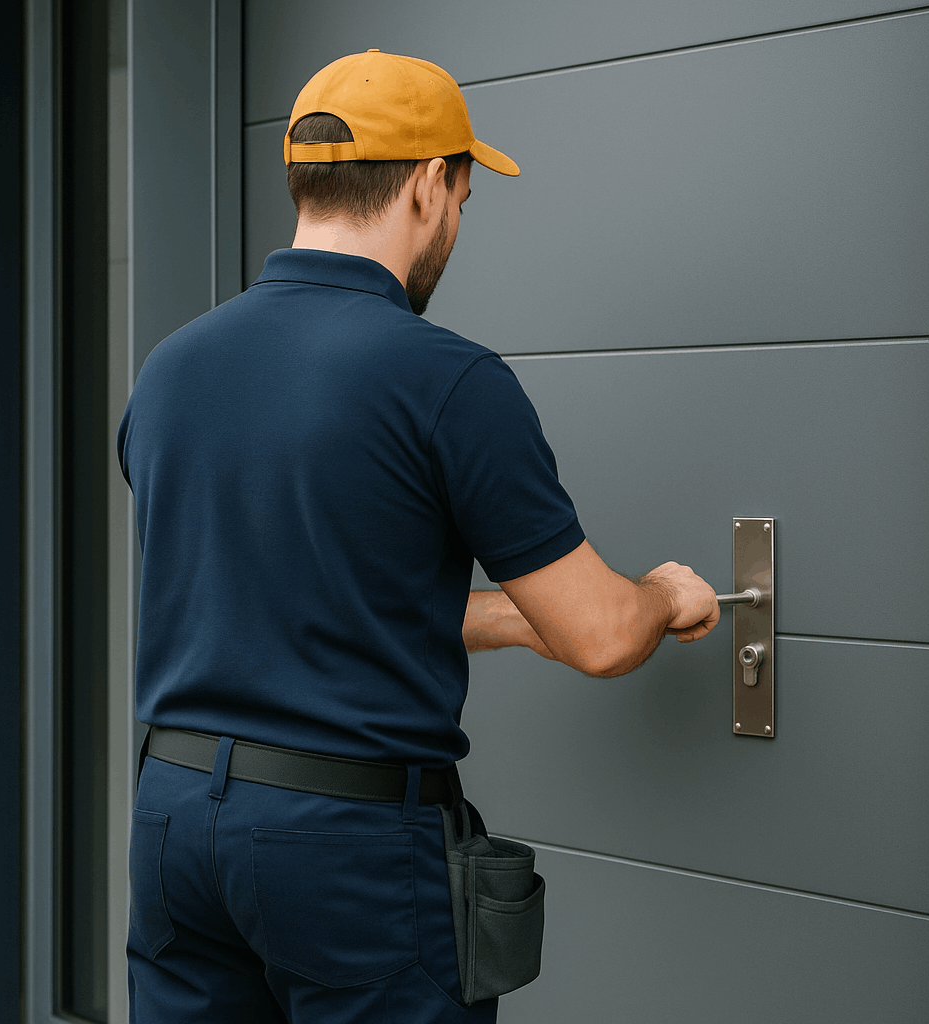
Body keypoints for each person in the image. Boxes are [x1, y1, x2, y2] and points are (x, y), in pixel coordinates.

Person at [118, 49, 720, 1024]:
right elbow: (605, 635)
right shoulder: (445, 378)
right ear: (433, 185)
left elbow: (309, 593)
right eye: (466, 197)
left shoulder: (171, 370)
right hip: (345, 844)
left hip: (176, 819)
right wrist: (665, 593)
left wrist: (522, 623)